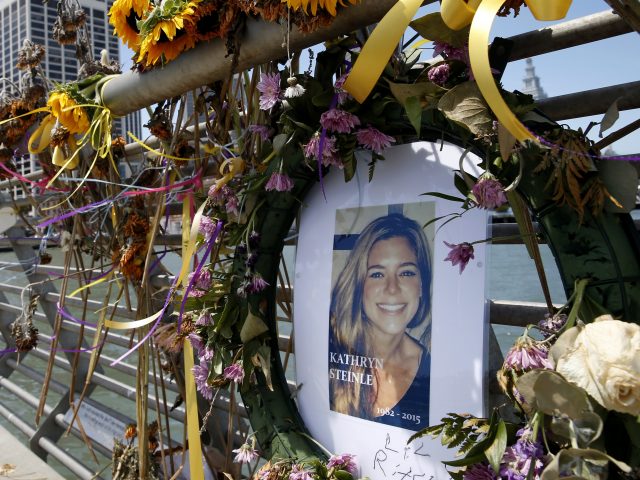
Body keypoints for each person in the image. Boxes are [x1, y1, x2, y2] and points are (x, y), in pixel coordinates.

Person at [328, 213, 431, 431]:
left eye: (406, 272)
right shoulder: (332, 351)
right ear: (359, 285)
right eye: (376, 275)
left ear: (422, 285)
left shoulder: (433, 371)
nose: (392, 288)